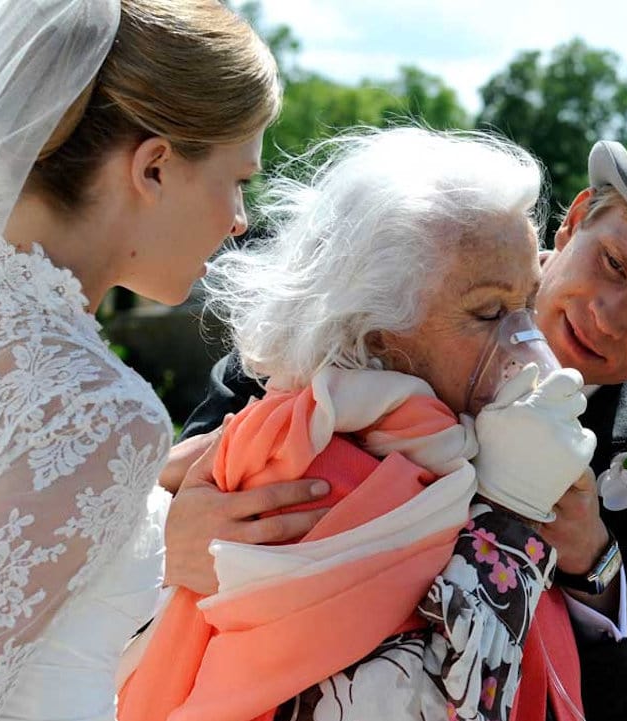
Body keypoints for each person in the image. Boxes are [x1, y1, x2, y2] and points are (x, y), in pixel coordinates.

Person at [170, 108, 627, 720]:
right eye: (613, 263)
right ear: (573, 221)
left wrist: (592, 558)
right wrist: (175, 530)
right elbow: (188, 469)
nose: (607, 312)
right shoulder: (407, 267)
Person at [118, 127, 596, 721]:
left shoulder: (433, 441)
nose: (524, 343)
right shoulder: (317, 469)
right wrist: (512, 514)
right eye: (490, 312)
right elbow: (411, 701)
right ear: (377, 337)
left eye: (527, 303)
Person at [0, 0, 280, 718]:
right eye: (237, 179)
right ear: (153, 167)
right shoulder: (103, 412)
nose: (239, 218)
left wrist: (142, 505)